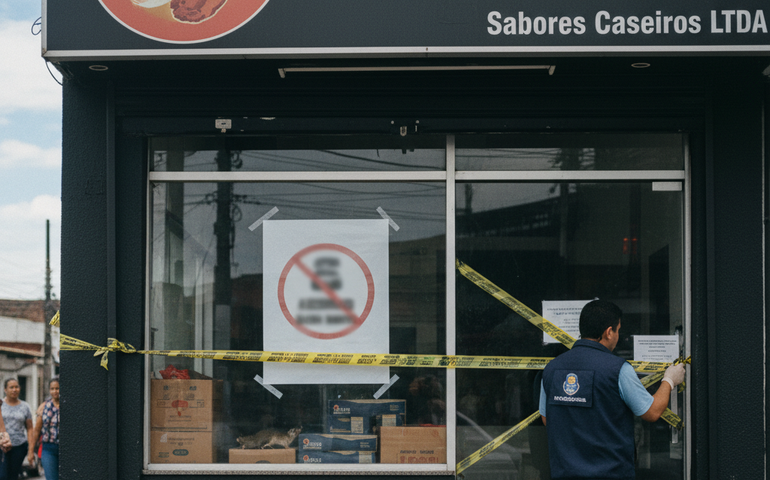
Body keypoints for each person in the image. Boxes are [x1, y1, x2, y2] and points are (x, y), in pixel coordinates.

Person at [539, 300, 686, 480]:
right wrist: (670, 379)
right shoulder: (618, 369)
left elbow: (547, 419)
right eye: (618, 330)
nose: (618, 336)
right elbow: (652, 412)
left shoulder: (552, 369)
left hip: (565, 473)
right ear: (609, 332)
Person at [0, 379, 33, 480]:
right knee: (2, 476)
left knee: (13, 476)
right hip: (2, 445)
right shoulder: (1, 404)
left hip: (19, 446)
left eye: (16, 387)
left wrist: (31, 451)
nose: (14, 390)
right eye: (11, 387)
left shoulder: (25, 406)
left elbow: (30, 428)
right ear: (5, 389)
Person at [28, 378, 59, 480]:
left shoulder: (68, 405)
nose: (55, 391)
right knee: (51, 477)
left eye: (58, 388)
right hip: (48, 449)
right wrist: (31, 451)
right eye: (52, 388)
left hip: (66, 449)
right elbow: (37, 430)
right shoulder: (44, 406)